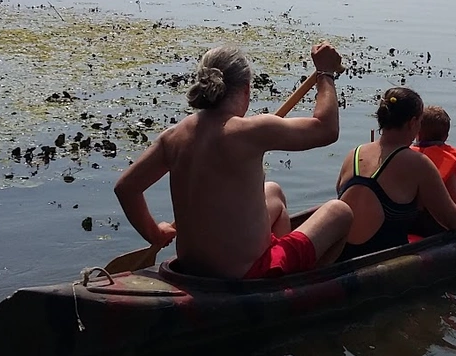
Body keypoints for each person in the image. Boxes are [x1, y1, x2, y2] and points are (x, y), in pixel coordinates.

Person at [113, 42, 353, 279]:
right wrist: (325, 74)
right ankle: (289, 284)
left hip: (189, 267)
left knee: (273, 192)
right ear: (246, 89)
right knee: (339, 211)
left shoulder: (174, 136)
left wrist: (155, 234)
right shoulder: (249, 131)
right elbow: (326, 130)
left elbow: (126, 188)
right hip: (242, 274)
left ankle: (279, 275)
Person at [334, 88, 456, 262]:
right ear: (412, 123)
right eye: (420, 121)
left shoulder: (353, 154)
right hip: (382, 262)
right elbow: (453, 221)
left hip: (341, 257)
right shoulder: (418, 163)